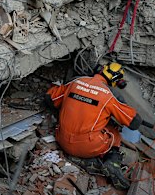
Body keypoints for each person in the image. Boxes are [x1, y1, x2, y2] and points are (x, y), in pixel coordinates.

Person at [45, 61, 142, 190]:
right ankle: (113, 162)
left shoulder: (75, 81)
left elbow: (49, 98)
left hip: (61, 139)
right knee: (114, 133)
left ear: (101, 70)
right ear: (117, 80)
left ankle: (84, 160)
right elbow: (134, 123)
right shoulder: (110, 95)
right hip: (87, 147)